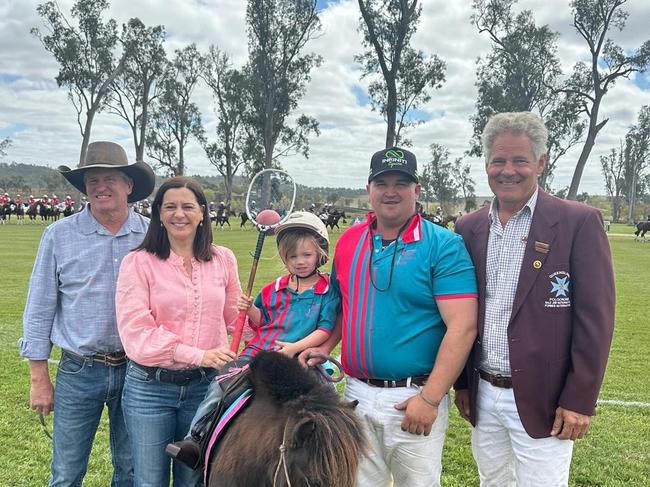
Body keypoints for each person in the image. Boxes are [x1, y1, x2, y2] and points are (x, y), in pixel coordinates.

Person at [453, 112, 616, 486]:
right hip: (483, 392)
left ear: (541, 163)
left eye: (520, 160)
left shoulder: (578, 222)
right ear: (486, 164)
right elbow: (463, 312)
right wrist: (463, 383)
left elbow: (596, 320)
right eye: (498, 160)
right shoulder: (468, 227)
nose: (507, 170)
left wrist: (579, 399)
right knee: (491, 482)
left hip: (546, 399)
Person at [301, 146, 478, 486]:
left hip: (412, 395)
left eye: (401, 182)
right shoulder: (350, 240)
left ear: (417, 190)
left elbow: (463, 326)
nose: (391, 191)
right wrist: (324, 345)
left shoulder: (443, 244)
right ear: (369, 189)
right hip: (354, 392)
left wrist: (430, 399)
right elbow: (342, 309)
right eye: (382, 183)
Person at [20, 141, 155, 486]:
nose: (100, 187)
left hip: (137, 369)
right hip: (79, 369)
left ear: (128, 185)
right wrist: (39, 378)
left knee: (131, 468)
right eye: (92, 180)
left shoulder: (152, 235)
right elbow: (39, 308)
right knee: (67, 471)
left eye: (110, 179)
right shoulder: (58, 235)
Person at [166, 211, 340, 469]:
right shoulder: (274, 288)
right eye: (293, 256)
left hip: (302, 357)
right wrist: (250, 310)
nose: (300, 261)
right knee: (222, 385)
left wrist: (294, 348)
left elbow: (324, 331)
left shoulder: (327, 291)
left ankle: (334, 448)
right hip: (260, 352)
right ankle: (196, 438)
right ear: (284, 258)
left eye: (307, 255)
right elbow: (262, 323)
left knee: (329, 397)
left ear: (320, 254)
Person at [116, 176, 242, 487]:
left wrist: (260, 319)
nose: (179, 214)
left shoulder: (223, 259)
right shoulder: (138, 262)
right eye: (170, 206)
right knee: (149, 480)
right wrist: (200, 354)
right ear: (158, 213)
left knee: (194, 480)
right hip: (150, 390)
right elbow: (138, 333)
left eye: (188, 206)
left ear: (202, 213)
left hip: (206, 389)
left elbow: (234, 319)